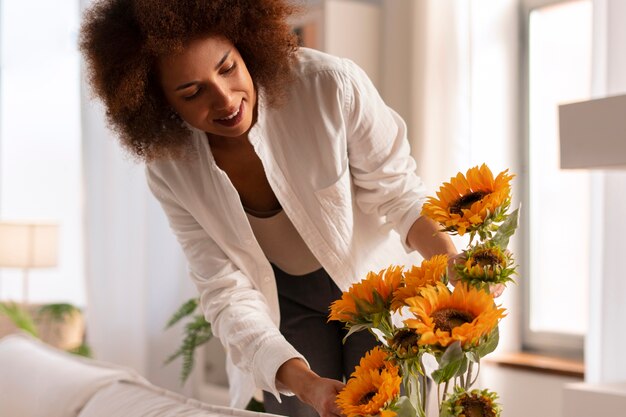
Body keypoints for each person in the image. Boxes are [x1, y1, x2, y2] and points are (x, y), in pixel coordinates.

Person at [79, 1, 460, 416]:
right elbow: (224, 290)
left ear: (246, 46)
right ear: (160, 104)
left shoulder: (330, 87)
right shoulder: (171, 170)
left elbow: (399, 195)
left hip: (379, 289)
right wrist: (308, 386)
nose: (225, 100)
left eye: (227, 68)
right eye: (192, 92)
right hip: (283, 304)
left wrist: (454, 264)